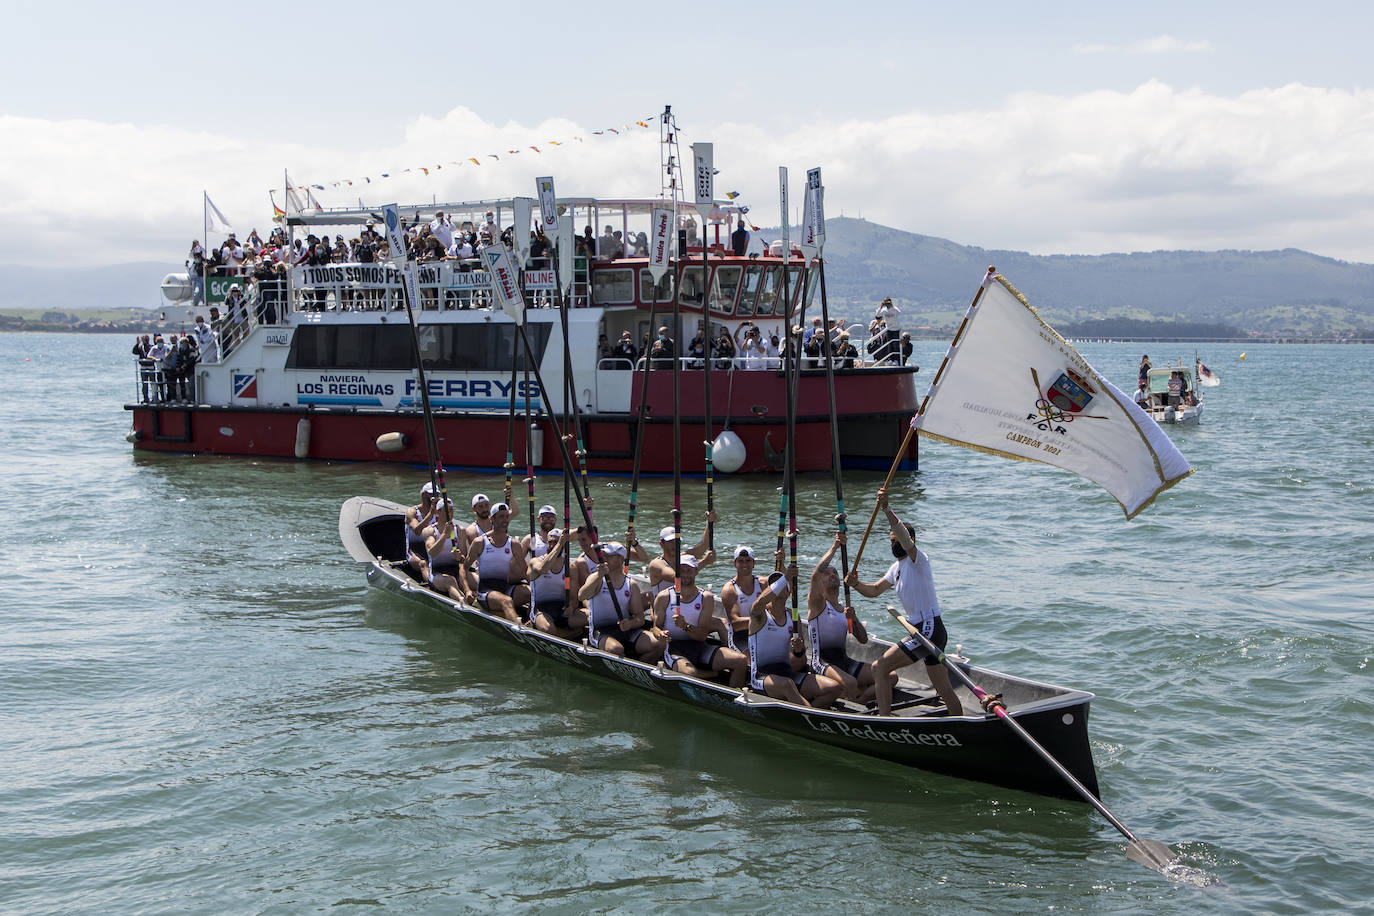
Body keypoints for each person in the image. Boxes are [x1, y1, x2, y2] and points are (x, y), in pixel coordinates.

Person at [844, 487, 963, 716]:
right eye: (890, 541)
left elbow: (904, 536)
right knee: (942, 687)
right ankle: (959, 719)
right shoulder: (896, 568)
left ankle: (885, 718)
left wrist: (887, 508)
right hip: (926, 629)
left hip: (928, 627)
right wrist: (856, 585)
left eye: (896, 539)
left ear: (909, 540)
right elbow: (876, 590)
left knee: (880, 667)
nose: (893, 544)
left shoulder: (918, 560)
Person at [807, 532, 892, 705]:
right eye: (828, 573)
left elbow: (863, 639)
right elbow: (815, 574)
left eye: (835, 573)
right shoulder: (818, 605)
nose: (832, 575)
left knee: (890, 676)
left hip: (844, 662)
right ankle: (852, 703)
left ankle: (859, 702)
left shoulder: (843, 609)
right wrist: (835, 546)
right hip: (822, 662)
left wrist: (854, 620)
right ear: (821, 582)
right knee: (851, 682)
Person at [747, 568, 842, 708]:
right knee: (787, 685)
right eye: (774, 585)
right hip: (761, 677)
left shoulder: (793, 615)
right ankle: (810, 715)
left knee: (834, 687)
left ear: (789, 592)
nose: (778, 588)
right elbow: (758, 603)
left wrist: (798, 649)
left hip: (787, 673)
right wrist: (785, 578)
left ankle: (809, 714)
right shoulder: (759, 615)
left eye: (781, 585)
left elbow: (800, 653)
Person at [656, 555, 748, 687]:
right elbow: (655, 628)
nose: (685, 574)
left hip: (699, 646)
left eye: (689, 570)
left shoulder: (706, 597)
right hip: (674, 648)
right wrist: (660, 634)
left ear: (696, 572)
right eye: (682, 570)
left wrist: (686, 626)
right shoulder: (664, 596)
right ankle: (711, 674)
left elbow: (702, 636)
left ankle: (735, 696)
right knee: (690, 673)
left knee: (741, 660)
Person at [578, 542, 663, 660]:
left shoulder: (631, 584)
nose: (604, 558)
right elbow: (581, 596)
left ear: (621, 559)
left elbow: (640, 618)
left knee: (659, 644)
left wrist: (630, 623)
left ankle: (637, 668)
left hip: (625, 629)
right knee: (616, 650)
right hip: (600, 631)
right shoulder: (596, 577)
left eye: (609, 555)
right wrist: (599, 575)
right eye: (603, 555)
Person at [524, 505, 584, 638]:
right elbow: (543, 569)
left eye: (556, 543)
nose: (552, 545)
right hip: (541, 609)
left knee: (591, 617)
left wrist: (572, 607)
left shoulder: (570, 567)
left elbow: (574, 596)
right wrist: (559, 544)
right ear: (546, 544)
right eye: (550, 542)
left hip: (562, 609)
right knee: (550, 631)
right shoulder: (536, 561)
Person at [468, 502, 529, 624]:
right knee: (506, 601)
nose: (505, 520)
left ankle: (532, 620)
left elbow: (525, 571)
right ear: (492, 519)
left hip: (505, 588)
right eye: (501, 516)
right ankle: (520, 631)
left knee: (532, 593)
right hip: (485, 592)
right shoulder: (480, 542)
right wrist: (467, 590)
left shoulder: (514, 544)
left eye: (507, 516)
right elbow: (463, 568)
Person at [425, 498, 471, 602]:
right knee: (450, 581)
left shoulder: (460, 530)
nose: (449, 513)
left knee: (477, 579)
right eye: (446, 510)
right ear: (437, 512)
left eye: (451, 510)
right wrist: (445, 534)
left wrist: (460, 557)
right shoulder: (429, 531)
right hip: (437, 575)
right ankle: (464, 603)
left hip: (457, 571)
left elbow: (464, 559)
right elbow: (432, 553)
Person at [719, 545, 766, 644]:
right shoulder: (729, 590)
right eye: (740, 561)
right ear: (735, 563)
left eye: (748, 560)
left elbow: (783, 587)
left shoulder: (763, 583)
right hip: (740, 636)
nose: (744, 564)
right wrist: (764, 620)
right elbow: (736, 623)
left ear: (754, 563)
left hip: (762, 632)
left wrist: (781, 561)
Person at [406, 483, 438, 580]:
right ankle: (432, 586)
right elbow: (417, 531)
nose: (433, 497)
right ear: (423, 495)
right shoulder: (412, 512)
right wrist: (431, 513)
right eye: (431, 494)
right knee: (423, 564)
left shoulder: (439, 512)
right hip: (414, 552)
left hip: (432, 549)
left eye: (436, 495)